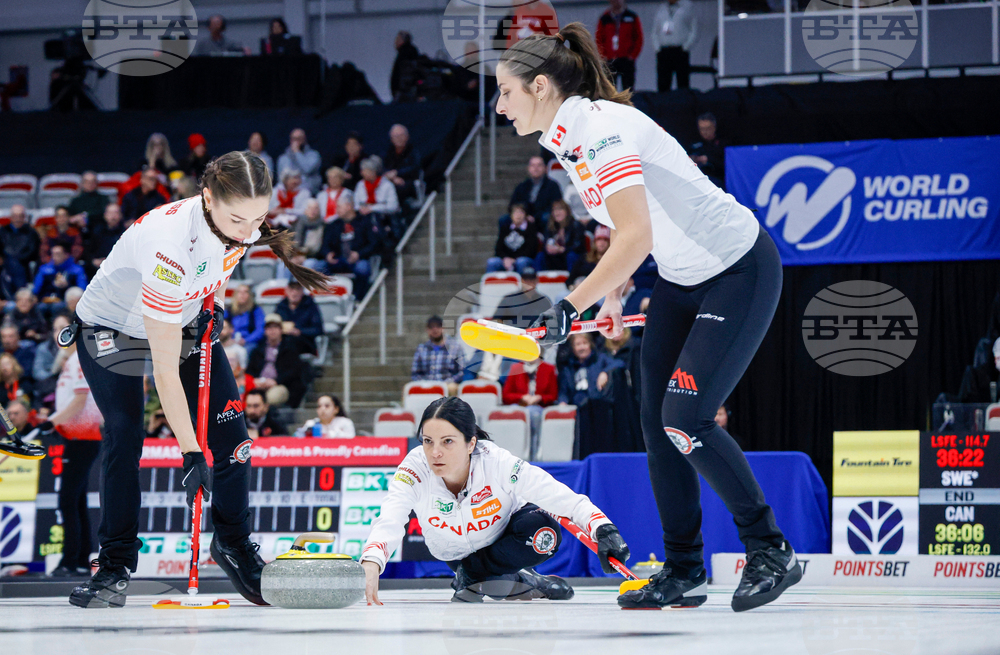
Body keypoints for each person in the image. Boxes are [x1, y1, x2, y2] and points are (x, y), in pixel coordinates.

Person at [498, 24, 800, 612]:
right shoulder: (570, 134)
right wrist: (613, 293)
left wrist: (572, 304)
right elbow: (630, 225)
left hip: (738, 271)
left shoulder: (601, 130)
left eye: (506, 92)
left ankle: (770, 549)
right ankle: (684, 569)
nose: (500, 105)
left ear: (539, 86)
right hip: (681, 279)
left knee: (685, 418)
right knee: (656, 422)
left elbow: (634, 234)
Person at [65, 150, 328, 608]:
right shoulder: (169, 244)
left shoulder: (237, 222)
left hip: (182, 318)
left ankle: (232, 542)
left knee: (234, 440)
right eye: (238, 220)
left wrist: (216, 304)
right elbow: (163, 372)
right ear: (207, 199)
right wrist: (190, 452)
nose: (249, 233)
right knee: (125, 431)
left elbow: (218, 264)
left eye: (258, 219)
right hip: (112, 327)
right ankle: (114, 562)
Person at [361, 397, 630, 603]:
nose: (435, 452)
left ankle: (478, 576)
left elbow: (554, 492)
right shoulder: (415, 467)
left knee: (545, 533)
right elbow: (391, 515)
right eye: (428, 441)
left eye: (447, 442)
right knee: (500, 589)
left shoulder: (495, 460)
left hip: (506, 536)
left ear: (471, 443)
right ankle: (525, 580)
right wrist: (372, 560)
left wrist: (603, 528)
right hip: (457, 553)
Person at [44, 333, 104, 577]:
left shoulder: (80, 359)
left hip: (82, 437)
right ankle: (79, 558)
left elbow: (80, 400)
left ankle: (70, 560)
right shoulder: (71, 362)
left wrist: (50, 422)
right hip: (77, 437)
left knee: (68, 501)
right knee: (76, 501)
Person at [317, 197, 379, 298]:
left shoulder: (365, 223)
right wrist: (327, 254)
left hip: (357, 259)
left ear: (349, 207)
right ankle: (327, 296)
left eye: (339, 207)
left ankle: (358, 298)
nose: (337, 210)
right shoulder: (333, 225)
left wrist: (359, 254)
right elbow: (324, 246)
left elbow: (374, 244)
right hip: (337, 259)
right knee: (317, 266)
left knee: (362, 268)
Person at [246, 313, 308, 408]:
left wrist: (276, 381)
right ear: (265, 331)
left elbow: (294, 371)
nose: (272, 331)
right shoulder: (258, 350)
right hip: (259, 384)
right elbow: (250, 370)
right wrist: (255, 380)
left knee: (272, 397)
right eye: (269, 328)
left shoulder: (290, 348)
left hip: (281, 385)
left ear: (281, 330)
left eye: (275, 327)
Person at [502, 356, 558, 458]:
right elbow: (506, 395)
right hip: (520, 405)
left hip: (539, 407)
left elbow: (553, 396)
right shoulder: (516, 368)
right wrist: (522, 397)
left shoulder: (549, 368)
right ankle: (513, 454)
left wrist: (539, 398)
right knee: (513, 413)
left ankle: (533, 456)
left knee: (532, 413)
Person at [595, 0, 643, 92]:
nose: (616, 2)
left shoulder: (632, 17)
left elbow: (638, 38)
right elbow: (599, 39)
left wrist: (633, 55)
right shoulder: (604, 18)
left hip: (626, 60)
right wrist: (603, 56)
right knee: (610, 91)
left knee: (628, 90)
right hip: (610, 60)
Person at [411, 315, 464, 396]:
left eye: (438, 326)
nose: (435, 329)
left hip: (448, 384)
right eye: (431, 327)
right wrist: (424, 383)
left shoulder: (455, 347)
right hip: (427, 383)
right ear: (427, 330)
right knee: (408, 388)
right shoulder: (421, 349)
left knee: (452, 388)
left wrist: (448, 382)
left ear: (443, 328)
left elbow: (461, 371)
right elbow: (415, 373)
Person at [653, 0, 698, 91]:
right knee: (663, 85)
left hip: (680, 50)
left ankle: (684, 104)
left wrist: (686, 47)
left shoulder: (688, 7)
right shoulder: (661, 8)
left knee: (682, 83)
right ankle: (663, 104)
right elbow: (655, 31)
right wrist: (657, 48)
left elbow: (694, 29)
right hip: (664, 50)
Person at [33, 314, 72, 410]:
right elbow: (38, 374)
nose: (59, 333)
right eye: (55, 330)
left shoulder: (82, 351)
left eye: (63, 328)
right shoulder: (44, 348)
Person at [275, 280, 323, 355]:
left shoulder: (310, 306)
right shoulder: (281, 306)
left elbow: (318, 329)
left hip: (305, 342)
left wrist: (299, 331)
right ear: (286, 290)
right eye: (292, 289)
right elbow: (273, 324)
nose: (294, 292)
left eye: (298, 289)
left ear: (302, 291)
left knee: (291, 342)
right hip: (283, 341)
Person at [509, 156, 562, 223]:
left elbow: (556, 204)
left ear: (545, 168)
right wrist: (524, 215)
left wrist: (536, 217)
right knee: (504, 220)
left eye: (539, 165)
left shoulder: (552, 186)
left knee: (546, 218)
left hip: (543, 216)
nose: (536, 168)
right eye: (533, 165)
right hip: (524, 215)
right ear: (528, 168)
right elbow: (513, 204)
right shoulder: (522, 186)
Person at [537, 199, 586, 272]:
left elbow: (578, 246)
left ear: (567, 212)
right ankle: (540, 281)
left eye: (560, 210)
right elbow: (545, 243)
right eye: (554, 210)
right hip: (555, 257)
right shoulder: (550, 227)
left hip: (569, 256)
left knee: (571, 256)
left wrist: (562, 250)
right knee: (540, 256)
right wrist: (548, 248)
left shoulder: (576, 225)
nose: (557, 213)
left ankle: (571, 281)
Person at [487, 204, 538, 274]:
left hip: (523, 258)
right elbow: (498, 249)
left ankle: (522, 284)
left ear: (525, 215)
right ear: (511, 216)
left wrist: (514, 259)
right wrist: (505, 258)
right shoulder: (505, 228)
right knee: (492, 262)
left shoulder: (530, 228)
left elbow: (531, 250)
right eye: (515, 212)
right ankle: (491, 284)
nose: (518, 215)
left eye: (521, 212)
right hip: (506, 260)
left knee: (521, 262)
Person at [84, 203, 126, 279]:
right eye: (110, 213)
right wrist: (93, 261)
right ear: (105, 215)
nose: (113, 216)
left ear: (120, 215)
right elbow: (88, 251)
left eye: (116, 213)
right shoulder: (97, 232)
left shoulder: (127, 233)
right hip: (98, 270)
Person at [383, 124, 421, 206]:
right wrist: (394, 178)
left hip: (408, 182)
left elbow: (415, 168)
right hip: (391, 182)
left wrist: (397, 173)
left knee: (398, 189)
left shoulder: (413, 152)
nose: (399, 139)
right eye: (396, 136)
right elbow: (383, 169)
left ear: (407, 137)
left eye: (401, 135)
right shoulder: (388, 152)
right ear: (391, 139)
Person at [276, 129, 323, 195]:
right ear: (290, 140)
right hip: (287, 193)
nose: (296, 142)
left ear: (304, 140)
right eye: (294, 139)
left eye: (299, 139)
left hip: (308, 193)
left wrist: (297, 152)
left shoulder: (313, 155)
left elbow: (308, 169)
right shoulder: (283, 158)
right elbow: (281, 179)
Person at [1, 205, 40, 277]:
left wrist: (17, 259)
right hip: (5, 264)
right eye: (15, 216)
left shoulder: (31, 232)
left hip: (23, 264)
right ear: (11, 217)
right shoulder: (3, 231)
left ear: (24, 217)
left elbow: (33, 251)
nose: (18, 219)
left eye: (20, 216)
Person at [688, 113, 726, 188]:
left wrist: (709, 160)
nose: (705, 132)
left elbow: (726, 165)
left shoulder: (722, 144)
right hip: (697, 180)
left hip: (717, 179)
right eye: (702, 129)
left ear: (714, 127)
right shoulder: (694, 144)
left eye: (708, 128)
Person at [225, 283, 266, 350]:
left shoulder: (255, 310)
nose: (242, 295)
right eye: (239, 292)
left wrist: (246, 340)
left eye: (245, 292)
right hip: (231, 341)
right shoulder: (229, 310)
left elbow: (260, 330)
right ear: (235, 295)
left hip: (250, 343)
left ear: (250, 295)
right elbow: (222, 327)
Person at [294, 199, 327, 264]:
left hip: (315, 258)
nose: (313, 211)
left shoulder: (323, 226)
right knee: (283, 265)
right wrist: (294, 256)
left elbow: (319, 249)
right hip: (297, 256)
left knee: (308, 264)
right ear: (305, 210)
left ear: (319, 211)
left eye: (315, 208)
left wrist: (305, 256)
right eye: (310, 208)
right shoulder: (297, 223)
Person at [390, 31, 420, 101]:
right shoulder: (407, 52)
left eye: (397, 39)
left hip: (405, 92)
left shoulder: (405, 53)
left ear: (402, 40)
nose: (395, 42)